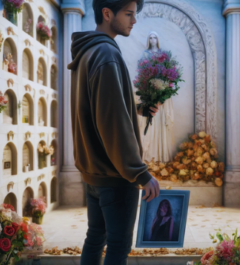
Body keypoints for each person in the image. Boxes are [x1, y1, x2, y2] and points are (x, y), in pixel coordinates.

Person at [67, 0, 161, 264]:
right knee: (118, 245)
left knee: (95, 238)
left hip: (95, 172)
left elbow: (102, 105)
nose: (134, 20)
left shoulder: (87, 51)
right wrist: (140, 173)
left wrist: (138, 108)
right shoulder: (106, 55)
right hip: (116, 174)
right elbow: (112, 122)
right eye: (129, 14)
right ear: (107, 14)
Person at [138, 31, 175, 163]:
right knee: (149, 121)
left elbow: (168, 72)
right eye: (150, 38)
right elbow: (142, 72)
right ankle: (148, 158)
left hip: (160, 91)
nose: (153, 40)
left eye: (155, 37)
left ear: (157, 40)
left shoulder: (163, 54)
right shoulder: (145, 54)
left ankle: (160, 158)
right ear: (149, 40)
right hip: (149, 90)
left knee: (159, 119)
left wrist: (165, 86)